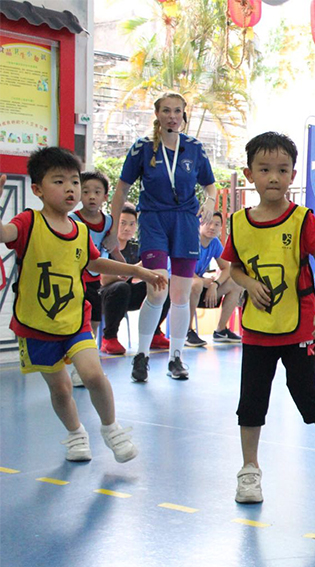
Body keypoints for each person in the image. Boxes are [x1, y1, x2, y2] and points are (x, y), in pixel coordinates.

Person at [0, 150, 166, 463]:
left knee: (93, 375)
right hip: (36, 324)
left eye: (74, 181)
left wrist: (137, 270)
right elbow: (4, 233)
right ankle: (76, 433)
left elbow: (94, 260)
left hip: (75, 319)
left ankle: (111, 428)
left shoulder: (80, 231)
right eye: (59, 181)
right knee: (61, 389)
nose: (70, 188)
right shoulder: (28, 222)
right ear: (37, 189)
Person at [221, 132, 315, 503]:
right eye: (265, 170)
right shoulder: (239, 222)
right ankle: (249, 471)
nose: (274, 177)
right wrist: (248, 283)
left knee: (306, 394)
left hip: (300, 325)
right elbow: (233, 269)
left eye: (282, 170)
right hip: (257, 328)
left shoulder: (302, 219)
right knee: (251, 400)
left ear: (293, 175)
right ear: (250, 175)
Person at [108, 91, 217, 383]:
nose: (172, 116)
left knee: (180, 294)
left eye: (177, 111)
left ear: (184, 115)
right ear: (157, 114)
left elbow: (210, 186)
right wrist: (111, 225)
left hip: (184, 222)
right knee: (157, 289)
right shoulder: (142, 148)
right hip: (154, 219)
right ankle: (141, 356)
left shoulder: (194, 148)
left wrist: (209, 201)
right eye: (166, 110)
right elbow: (121, 189)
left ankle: (176, 357)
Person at [67, 171, 124, 384]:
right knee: (79, 325)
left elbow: (113, 249)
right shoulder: (72, 219)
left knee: (95, 323)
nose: (92, 196)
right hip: (75, 280)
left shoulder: (109, 222)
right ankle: (76, 370)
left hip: (95, 281)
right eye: (87, 191)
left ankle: (91, 368)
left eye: (97, 192)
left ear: (105, 197)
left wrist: (128, 270)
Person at [99, 203, 171, 355]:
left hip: (130, 293)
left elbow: (145, 272)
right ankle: (109, 337)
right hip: (108, 294)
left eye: (132, 224)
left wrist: (134, 273)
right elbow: (103, 279)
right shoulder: (106, 244)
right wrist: (133, 271)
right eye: (123, 223)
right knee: (121, 287)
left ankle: (154, 333)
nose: (127, 228)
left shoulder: (138, 246)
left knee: (162, 284)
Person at [186, 212, 243, 346]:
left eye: (216, 224)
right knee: (197, 283)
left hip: (201, 287)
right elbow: (182, 269)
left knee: (236, 283)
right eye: (208, 222)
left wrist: (215, 284)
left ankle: (221, 330)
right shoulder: (189, 240)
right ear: (199, 224)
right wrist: (202, 281)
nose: (212, 227)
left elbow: (227, 268)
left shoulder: (215, 243)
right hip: (180, 286)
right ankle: (186, 331)